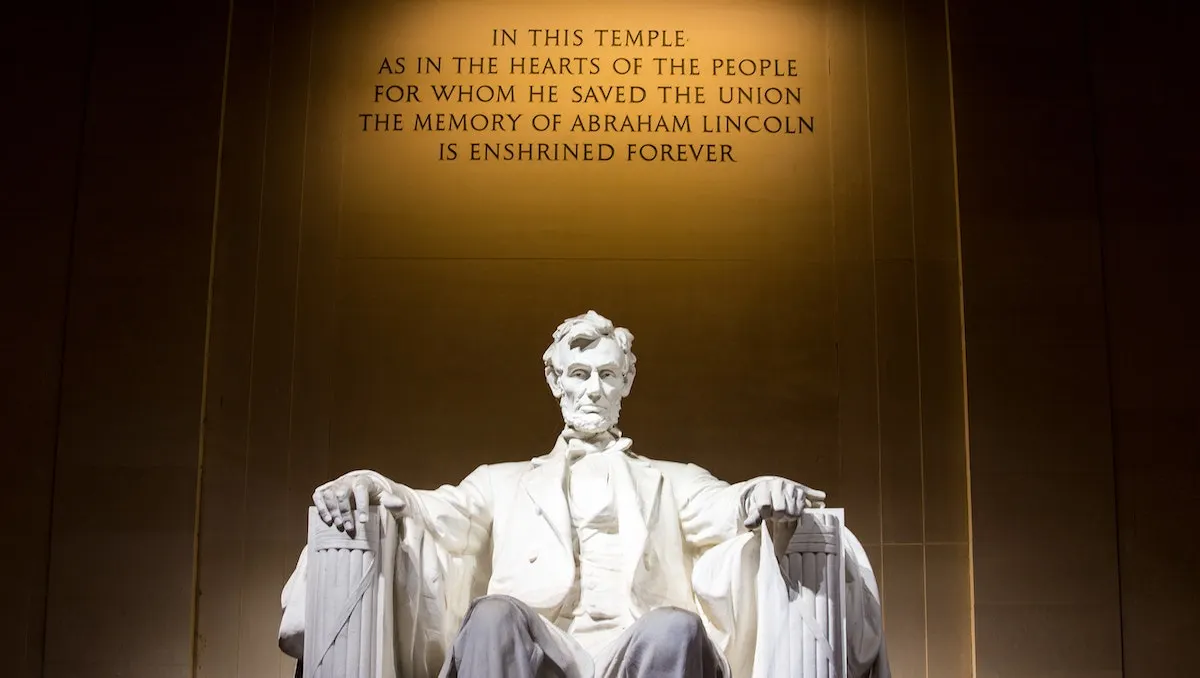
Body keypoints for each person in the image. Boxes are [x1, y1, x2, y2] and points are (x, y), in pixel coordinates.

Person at [281, 311, 888, 678]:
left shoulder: (672, 479)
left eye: (606, 375)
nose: (592, 389)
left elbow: (729, 505)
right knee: (491, 616)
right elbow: (439, 513)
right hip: (537, 651)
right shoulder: (500, 480)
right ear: (555, 381)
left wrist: (763, 493)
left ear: (626, 381)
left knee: (674, 627)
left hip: (639, 648)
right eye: (578, 374)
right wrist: (375, 484)